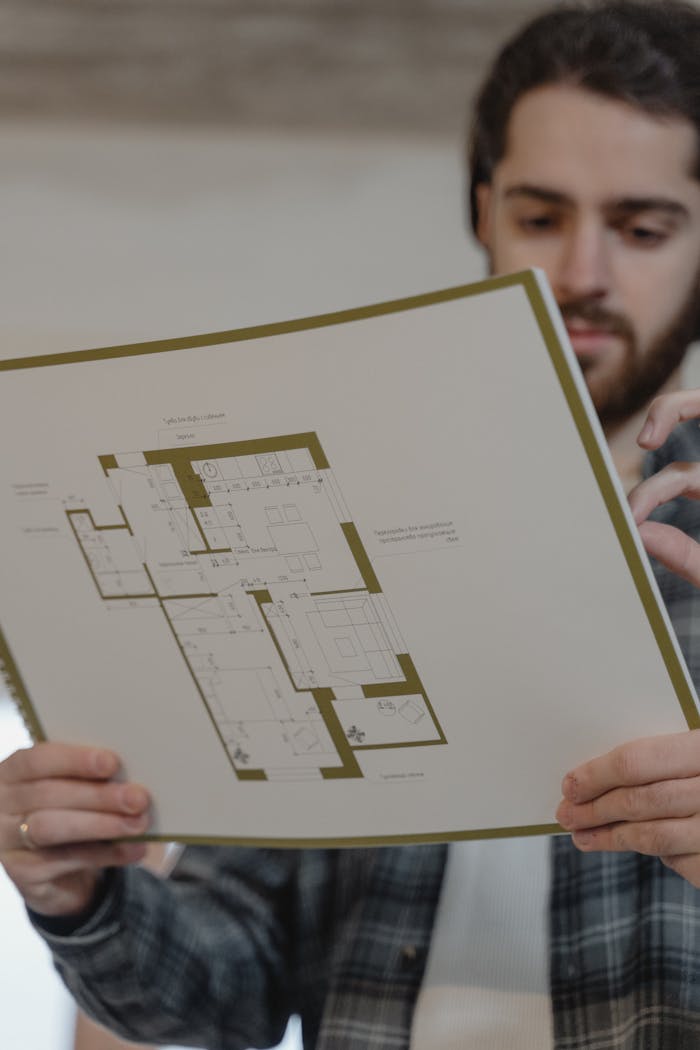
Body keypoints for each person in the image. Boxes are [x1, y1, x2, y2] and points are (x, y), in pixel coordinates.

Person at [2, 1, 700, 1047]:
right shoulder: (339, 513)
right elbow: (227, 987)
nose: (583, 276)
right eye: (542, 217)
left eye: (641, 228)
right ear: (482, 213)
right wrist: (77, 898)